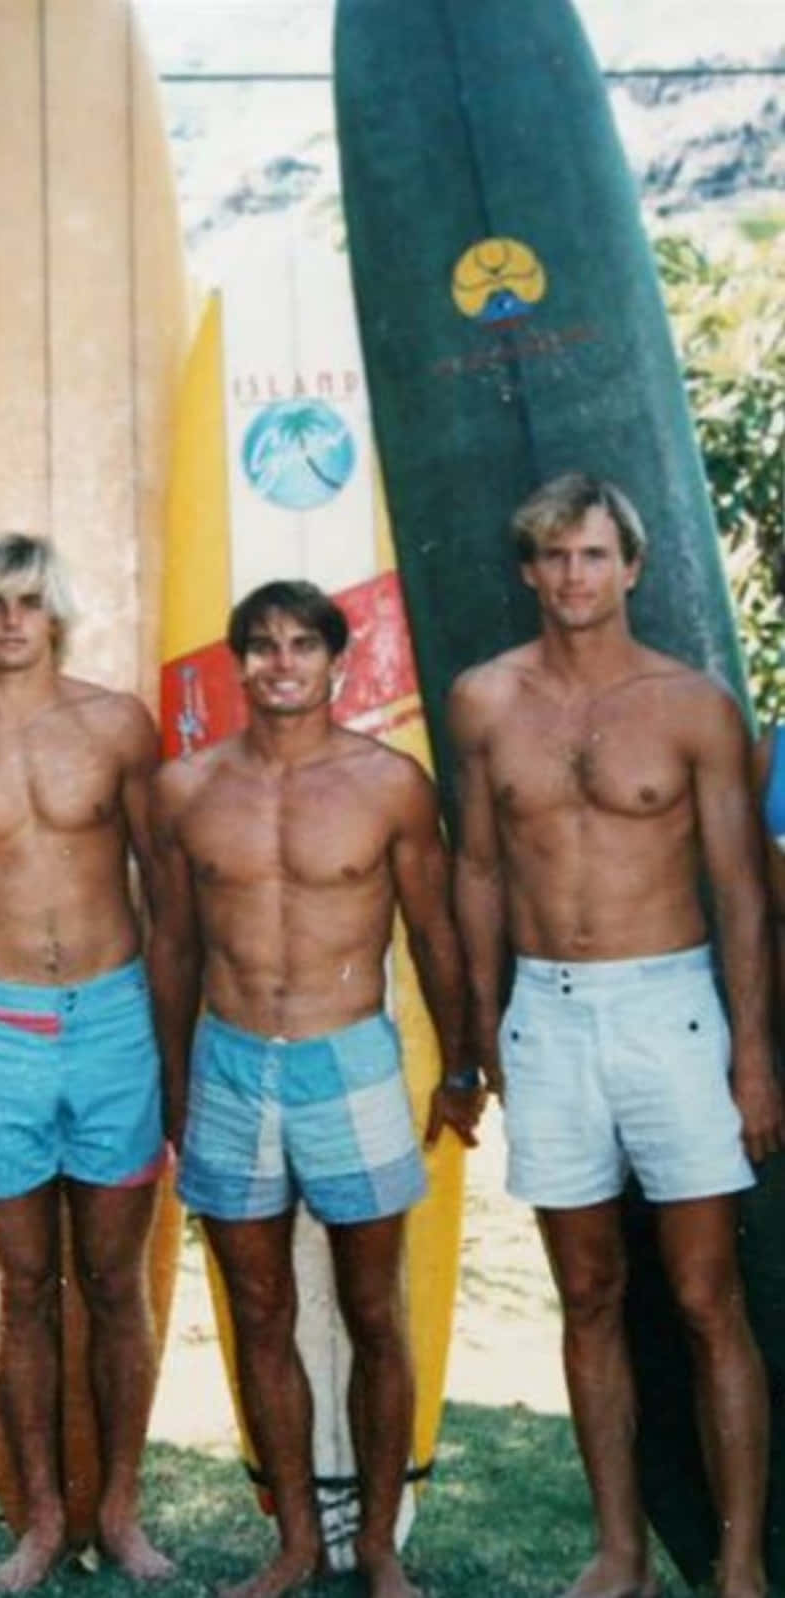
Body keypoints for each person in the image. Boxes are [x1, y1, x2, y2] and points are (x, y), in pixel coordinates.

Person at [449, 472, 782, 1598]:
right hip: (548, 1015)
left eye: (594, 554)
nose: (574, 576)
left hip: (670, 1009)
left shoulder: (692, 706)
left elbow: (741, 893)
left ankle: (740, 1566)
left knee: (704, 1297)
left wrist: (751, 1055)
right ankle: (620, 1552)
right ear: (528, 570)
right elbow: (478, 870)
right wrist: (482, 1027)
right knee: (586, 1294)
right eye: (554, 556)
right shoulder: (486, 700)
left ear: (632, 567)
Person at [149, 578, 481, 1598]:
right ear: (239, 662)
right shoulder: (188, 787)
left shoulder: (390, 784)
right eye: (262, 644)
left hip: (351, 1062)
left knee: (373, 1311)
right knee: (260, 1311)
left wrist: (462, 1064)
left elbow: (433, 933)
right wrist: (174, 1084)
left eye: (302, 643)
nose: (281, 662)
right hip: (232, 1063)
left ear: (339, 660)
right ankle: (294, 1542)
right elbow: (173, 945)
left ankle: (378, 1545)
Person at [0, 533, 173, 1593]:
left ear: (56, 616)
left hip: (112, 1021)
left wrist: (176, 1040)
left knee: (114, 1281)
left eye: (30, 601)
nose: (12, 621)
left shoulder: (117, 726)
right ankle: (45, 1519)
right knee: (21, 1285)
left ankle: (122, 1511)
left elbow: (168, 894)